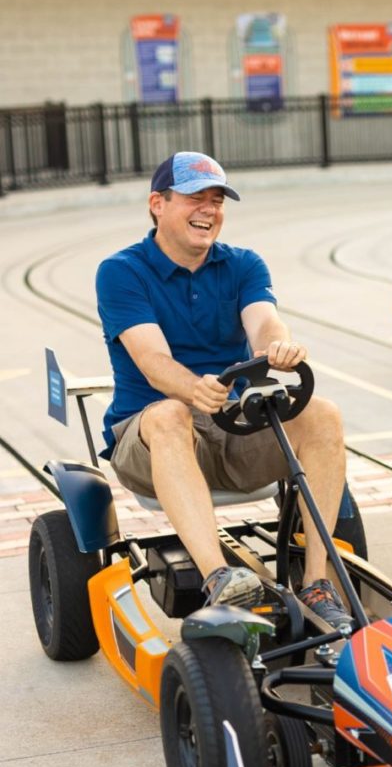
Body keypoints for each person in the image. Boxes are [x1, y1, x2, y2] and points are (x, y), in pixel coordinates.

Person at [96, 151, 352, 626]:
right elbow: (153, 362)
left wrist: (280, 348)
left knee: (323, 414)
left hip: (230, 427)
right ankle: (220, 579)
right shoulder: (121, 271)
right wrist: (195, 390)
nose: (209, 210)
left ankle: (316, 582)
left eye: (217, 200)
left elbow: (265, 322)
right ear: (158, 203)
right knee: (169, 413)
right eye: (196, 198)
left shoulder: (243, 265)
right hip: (150, 437)